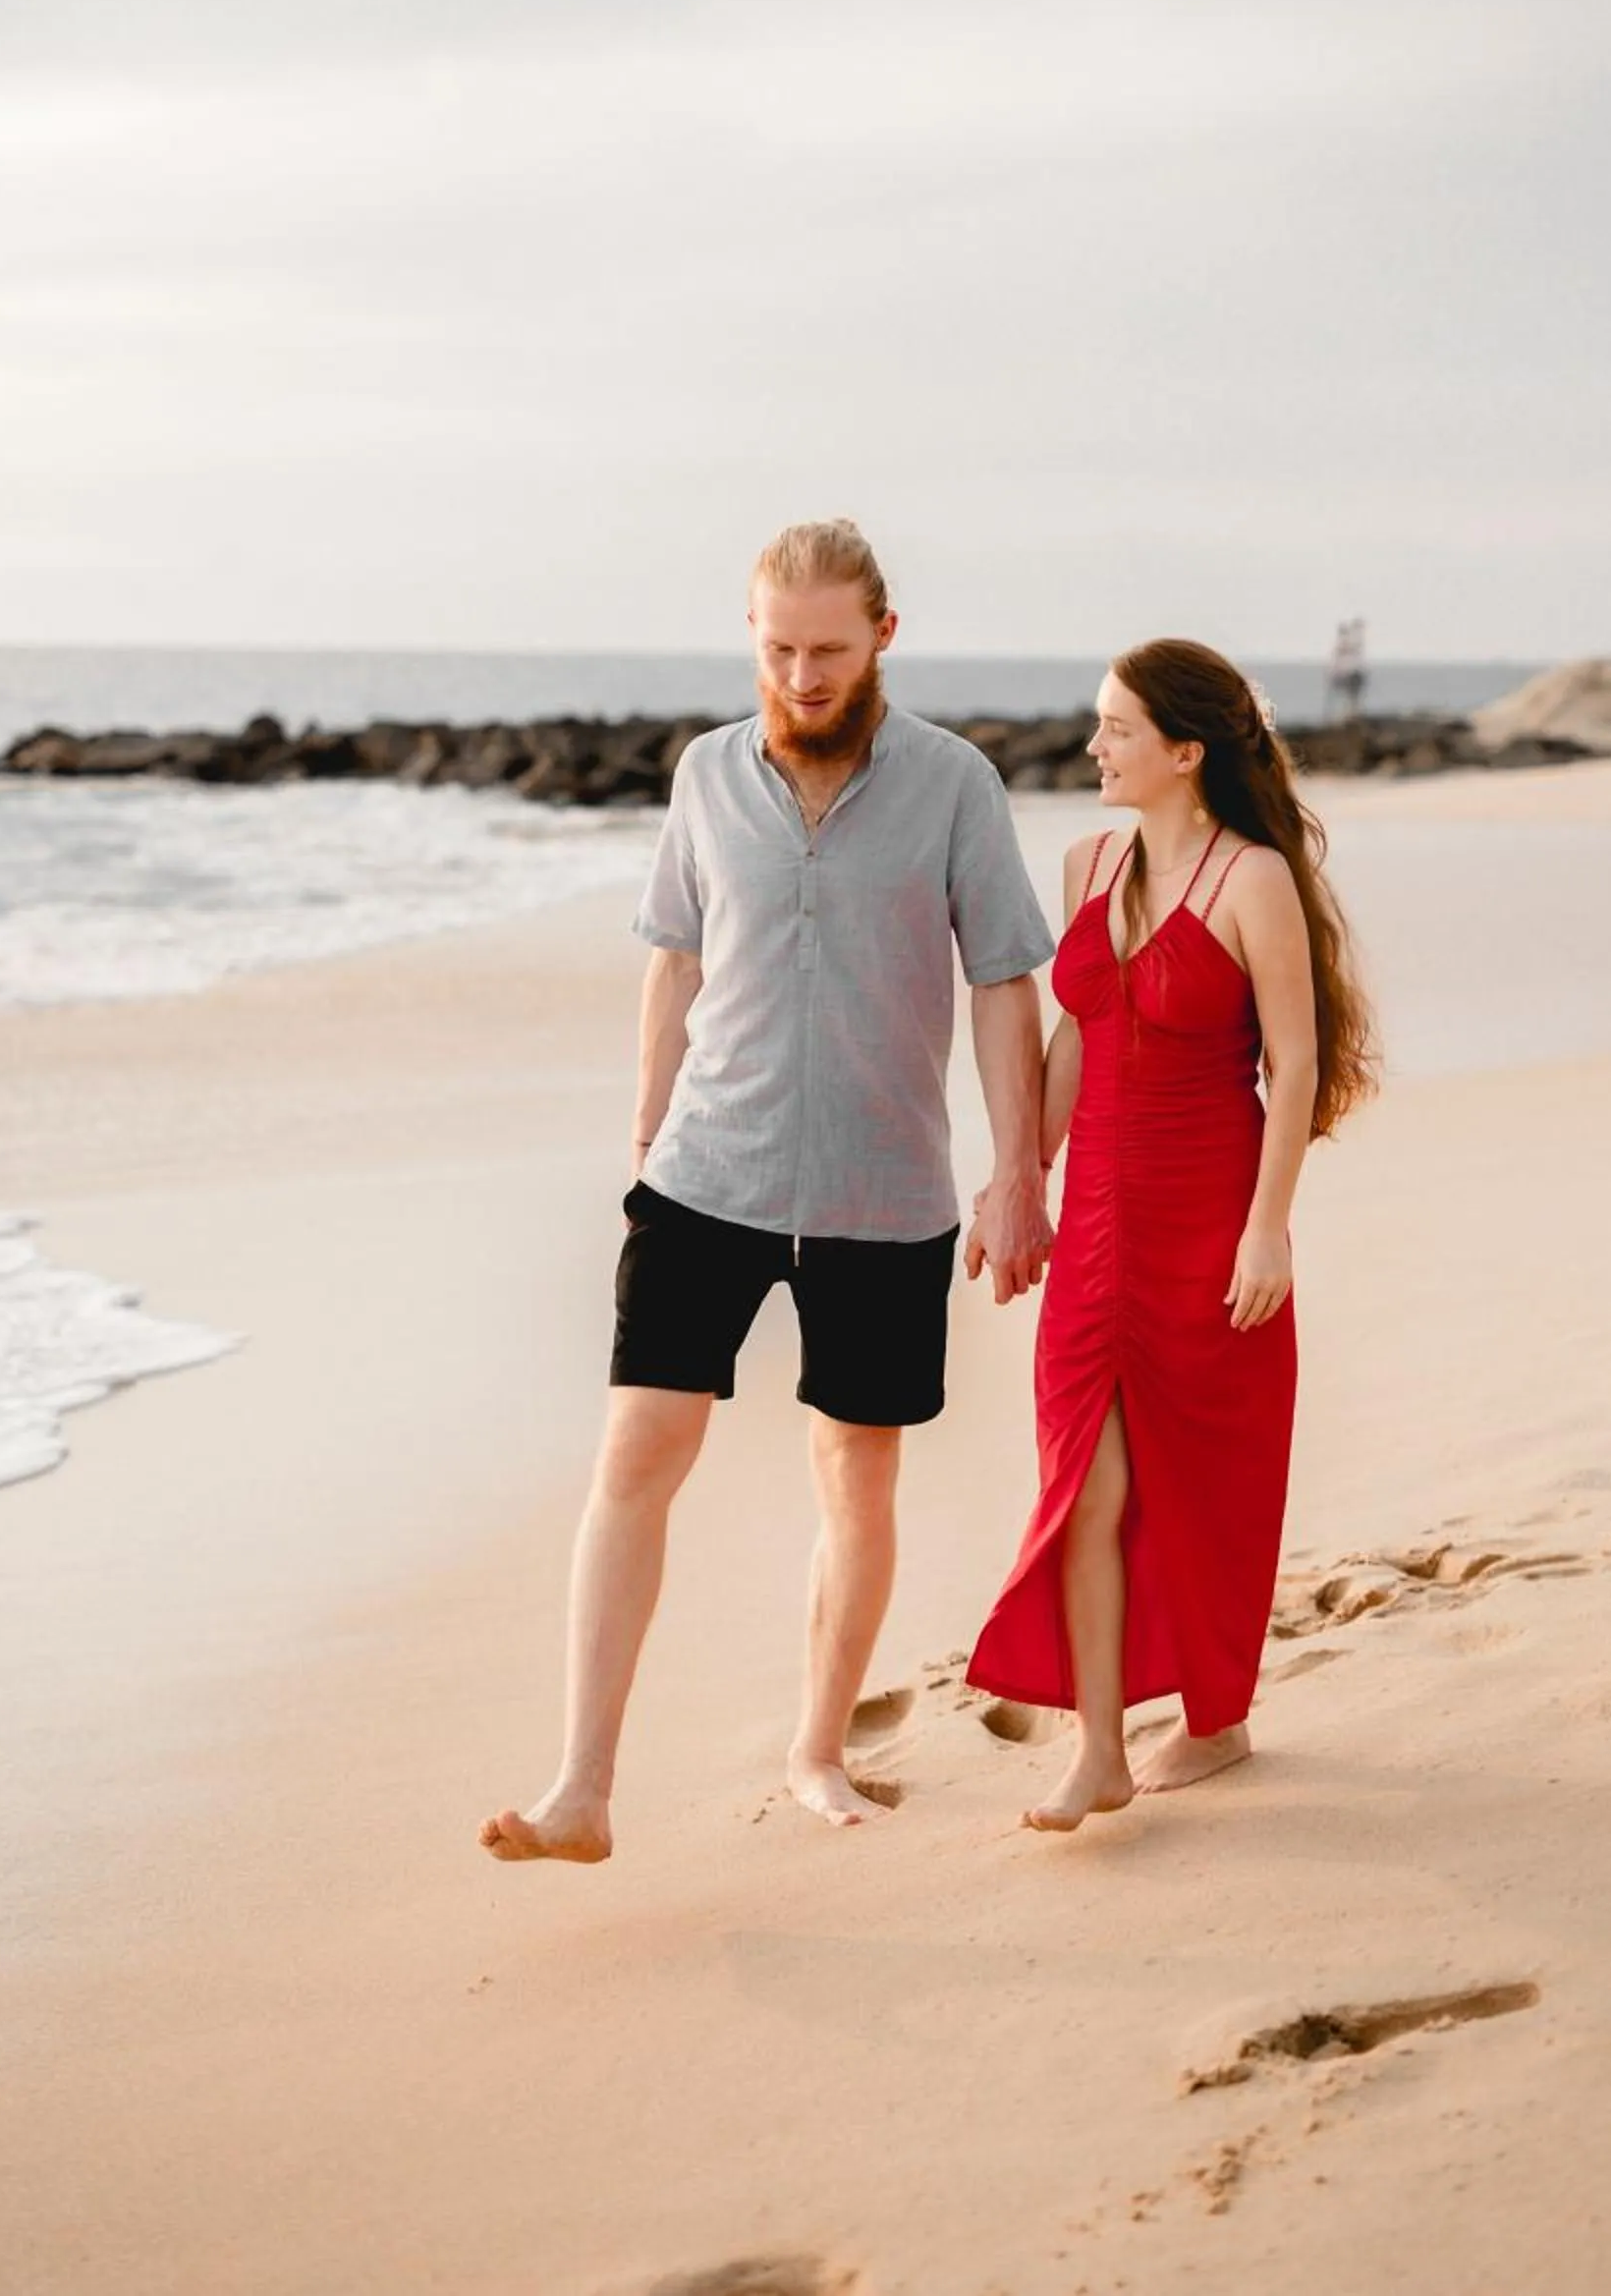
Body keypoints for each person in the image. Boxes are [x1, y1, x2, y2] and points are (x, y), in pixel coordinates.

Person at [480, 519, 1056, 1863]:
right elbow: (673, 960)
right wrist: (644, 1134)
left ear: (883, 641)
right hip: (705, 1176)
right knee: (634, 1458)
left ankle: (816, 1751)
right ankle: (582, 1789)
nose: (800, 674)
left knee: (856, 1478)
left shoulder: (956, 786)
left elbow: (1003, 984)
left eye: (828, 650)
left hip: (885, 1192)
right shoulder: (702, 775)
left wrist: (1018, 1171)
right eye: (778, 646)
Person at [967, 640, 1376, 1829]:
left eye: (1116, 728)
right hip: (1094, 1218)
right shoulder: (1086, 860)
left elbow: (1292, 1067)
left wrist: (1267, 1232)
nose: (1094, 745)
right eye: (1097, 725)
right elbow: (1071, 1039)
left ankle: (1214, 1719)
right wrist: (1015, 1185)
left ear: (1184, 752)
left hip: (1208, 1216)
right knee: (1080, 1489)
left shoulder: (1251, 880)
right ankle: (1097, 1748)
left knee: (1198, 1486)